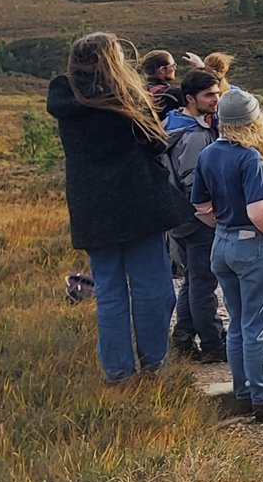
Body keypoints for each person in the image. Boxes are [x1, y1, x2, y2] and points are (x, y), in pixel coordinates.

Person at [47, 33, 189, 383]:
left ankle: (118, 372)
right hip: (138, 201)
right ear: (113, 60)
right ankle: (153, 365)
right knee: (153, 288)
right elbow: (157, 143)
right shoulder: (124, 95)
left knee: (109, 292)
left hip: (91, 206)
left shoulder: (66, 97)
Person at [193, 87, 263, 421]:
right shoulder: (250, 157)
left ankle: (243, 391)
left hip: (223, 242)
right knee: (258, 326)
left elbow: (200, 207)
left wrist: (223, 225)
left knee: (239, 324)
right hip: (252, 243)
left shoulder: (209, 153)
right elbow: (259, 213)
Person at [164, 68, 225, 362]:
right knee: (204, 284)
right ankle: (213, 344)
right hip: (198, 219)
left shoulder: (174, 123)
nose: (216, 99)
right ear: (191, 98)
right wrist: (210, 213)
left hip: (180, 218)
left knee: (193, 280)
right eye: (209, 95)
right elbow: (193, 180)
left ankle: (184, 338)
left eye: (217, 93)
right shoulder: (194, 135)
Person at [141, 49, 184, 114]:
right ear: (162, 70)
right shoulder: (173, 94)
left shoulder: (139, 91)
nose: (175, 68)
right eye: (173, 66)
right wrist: (201, 68)